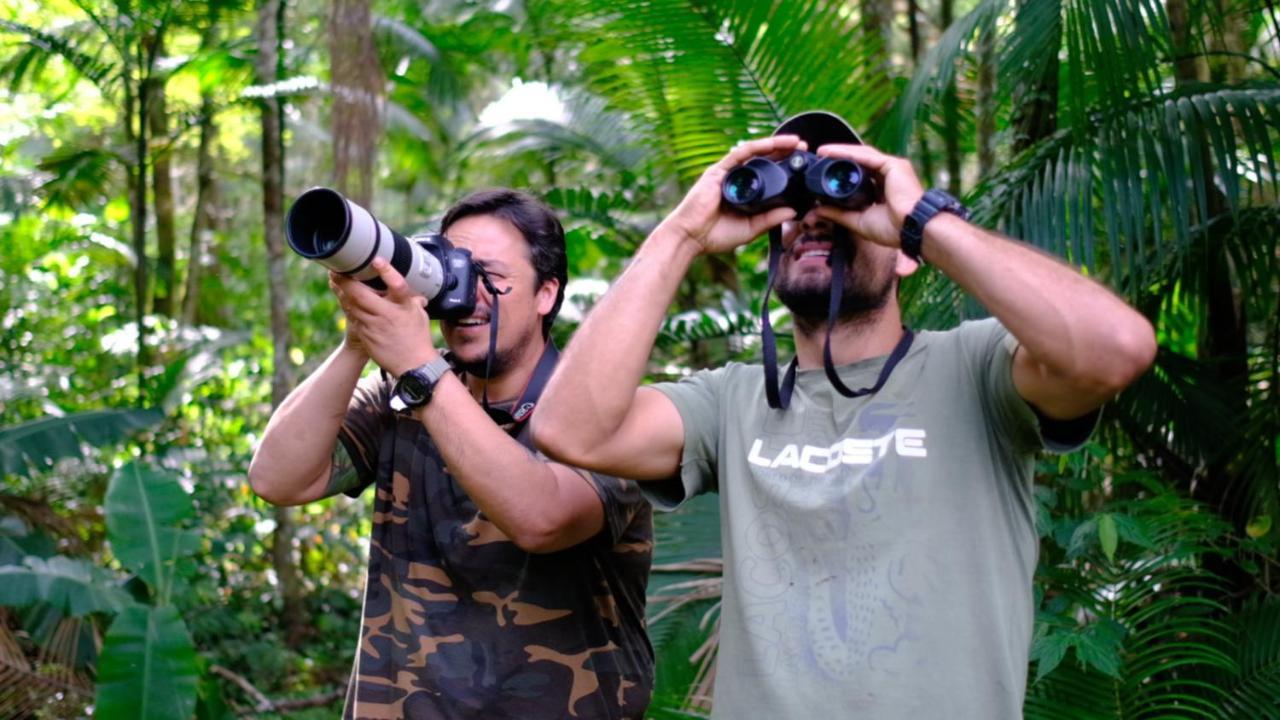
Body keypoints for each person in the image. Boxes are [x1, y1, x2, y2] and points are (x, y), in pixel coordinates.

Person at [532, 112, 1157, 718]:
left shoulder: (977, 368)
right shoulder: (731, 401)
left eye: (838, 192)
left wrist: (923, 219)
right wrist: (682, 236)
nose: (812, 216)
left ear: (906, 253)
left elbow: (1114, 351)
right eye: (794, 205)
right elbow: (568, 430)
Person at [248, 189, 654, 719]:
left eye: (493, 276)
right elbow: (278, 479)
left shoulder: (602, 413)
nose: (469, 293)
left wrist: (419, 367)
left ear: (545, 294)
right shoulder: (403, 392)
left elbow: (543, 519)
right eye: (455, 270)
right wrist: (360, 340)